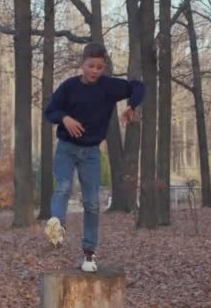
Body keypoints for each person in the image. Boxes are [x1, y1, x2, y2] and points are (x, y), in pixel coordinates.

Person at [43, 42, 145, 272]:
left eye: (100, 67)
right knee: (63, 187)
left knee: (92, 203)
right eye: (91, 66)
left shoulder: (109, 87)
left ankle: (89, 254)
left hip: (90, 153)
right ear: (82, 64)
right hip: (66, 148)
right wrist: (65, 119)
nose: (95, 71)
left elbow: (138, 86)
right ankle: (56, 227)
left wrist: (132, 105)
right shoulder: (69, 87)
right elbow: (50, 111)